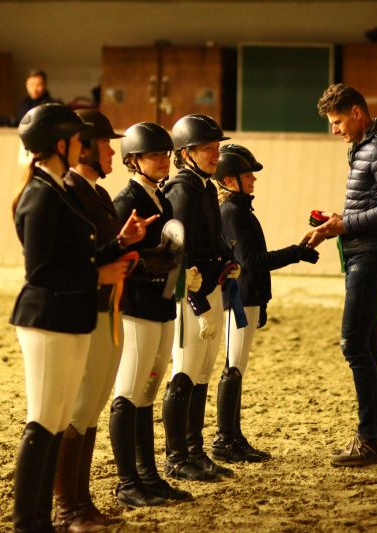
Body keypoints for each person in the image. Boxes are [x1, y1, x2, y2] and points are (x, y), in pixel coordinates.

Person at [10, 103, 146, 532]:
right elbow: (41, 271)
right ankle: (28, 522)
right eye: (76, 140)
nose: (81, 146)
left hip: (69, 315)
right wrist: (96, 276)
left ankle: (43, 519)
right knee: (43, 422)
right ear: (61, 145)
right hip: (46, 318)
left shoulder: (58, 191)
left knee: (54, 424)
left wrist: (117, 246)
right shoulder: (40, 194)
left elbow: (78, 255)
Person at [51, 108, 153, 530]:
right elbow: (73, 258)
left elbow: (99, 251)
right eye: (106, 144)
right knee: (78, 408)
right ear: (86, 148)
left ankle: (83, 501)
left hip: (110, 307)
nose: (112, 152)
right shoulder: (69, 192)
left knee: (92, 408)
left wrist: (125, 241)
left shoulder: (96, 194)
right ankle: (66, 507)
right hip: (85, 310)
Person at [309, 83, 377, 467]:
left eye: (337, 122)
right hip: (366, 251)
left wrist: (346, 224)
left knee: (353, 344)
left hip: (372, 255)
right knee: (366, 343)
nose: (335, 130)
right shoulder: (367, 147)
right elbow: (373, 203)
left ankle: (369, 438)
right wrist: (338, 221)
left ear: (356, 113)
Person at [211, 144, 319, 464]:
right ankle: (225, 439)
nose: (253, 180)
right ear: (229, 181)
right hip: (238, 299)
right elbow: (252, 260)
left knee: (238, 367)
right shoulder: (232, 213)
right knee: (233, 367)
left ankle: (234, 436)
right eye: (247, 175)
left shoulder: (241, 210)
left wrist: (263, 299)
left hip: (248, 297)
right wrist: (295, 252)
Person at [110, 121, 197, 507]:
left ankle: (148, 476)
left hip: (161, 306)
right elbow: (119, 256)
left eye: (165, 154)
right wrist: (154, 262)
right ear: (133, 160)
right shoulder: (126, 201)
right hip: (136, 309)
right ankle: (127, 483)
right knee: (128, 392)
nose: (163, 160)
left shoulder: (161, 199)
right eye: (153, 155)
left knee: (147, 393)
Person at [161, 114, 234, 481]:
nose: (216, 154)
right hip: (189, 293)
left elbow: (210, 238)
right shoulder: (182, 189)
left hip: (210, 286)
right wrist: (197, 301)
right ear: (186, 152)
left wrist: (227, 259)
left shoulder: (204, 187)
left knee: (202, 372)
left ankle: (195, 450)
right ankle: (176, 456)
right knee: (185, 373)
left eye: (216, 148)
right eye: (208, 148)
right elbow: (178, 249)